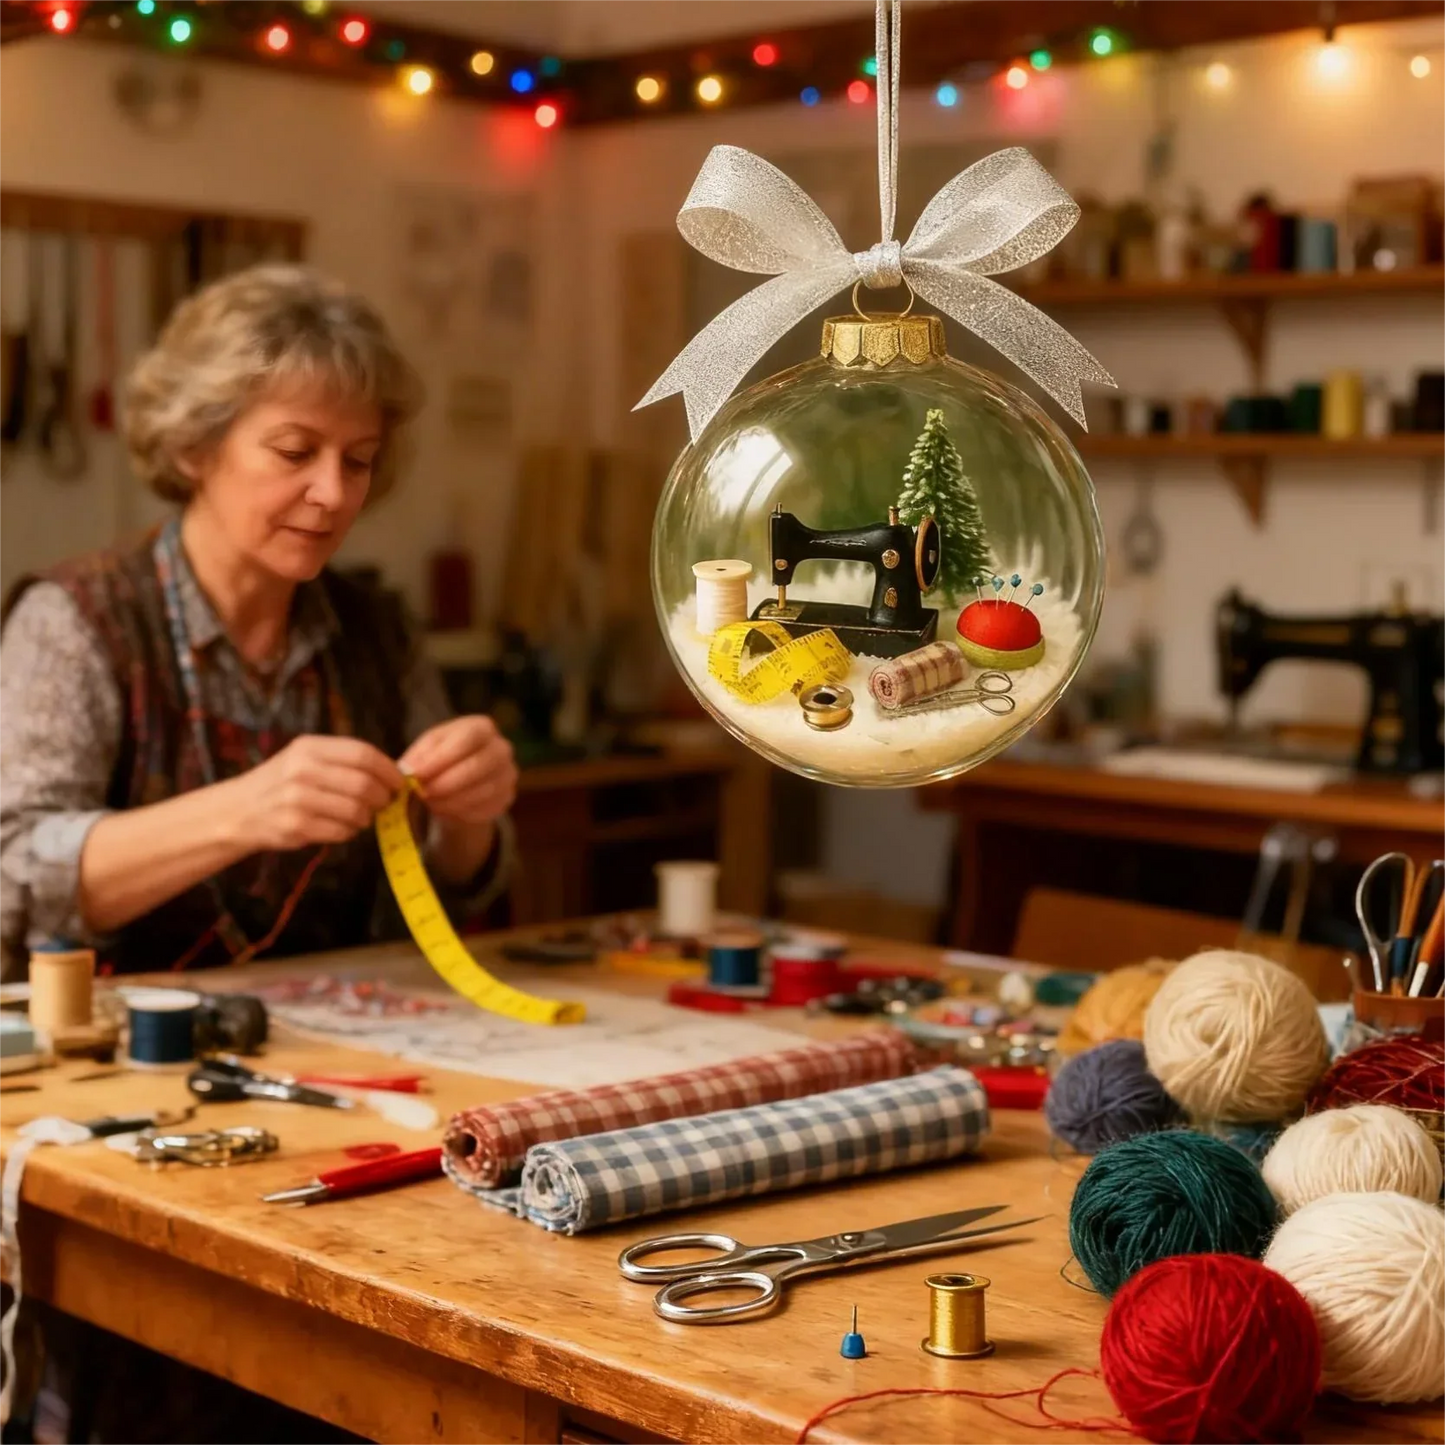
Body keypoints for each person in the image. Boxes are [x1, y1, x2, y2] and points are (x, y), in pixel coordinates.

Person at [0, 263, 518, 978]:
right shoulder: (73, 622)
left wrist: (468, 820)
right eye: (295, 452)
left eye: (359, 461)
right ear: (194, 446)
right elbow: (14, 881)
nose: (333, 492)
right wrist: (240, 813)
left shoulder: (379, 630)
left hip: (351, 1026)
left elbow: (459, 887)